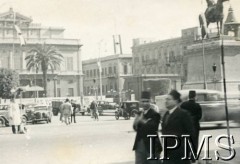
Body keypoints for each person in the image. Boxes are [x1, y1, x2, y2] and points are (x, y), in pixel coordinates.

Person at [161, 90, 195, 164]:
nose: (166, 101)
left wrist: (189, 152)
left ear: (176, 101)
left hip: (180, 154)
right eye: (166, 99)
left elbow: (191, 134)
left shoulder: (183, 114)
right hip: (168, 153)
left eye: (169, 99)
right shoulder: (166, 115)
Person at [133, 91, 162, 164]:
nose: (145, 103)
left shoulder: (155, 114)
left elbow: (153, 127)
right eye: (143, 101)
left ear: (150, 101)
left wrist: (141, 120)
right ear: (140, 102)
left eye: (147, 101)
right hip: (139, 145)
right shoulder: (139, 113)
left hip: (152, 146)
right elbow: (135, 128)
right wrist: (136, 121)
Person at [180, 90, 202, 158]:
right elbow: (199, 116)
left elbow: (180, 115)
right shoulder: (197, 105)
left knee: (186, 141)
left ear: (188, 96)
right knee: (194, 141)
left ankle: (186, 156)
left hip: (185, 127)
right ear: (195, 96)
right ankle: (193, 156)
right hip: (195, 126)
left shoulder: (183, 105)